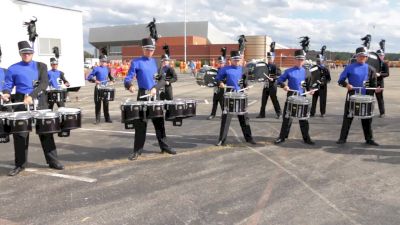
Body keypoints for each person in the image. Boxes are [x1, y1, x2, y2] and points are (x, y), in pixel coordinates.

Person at [1, 41, 64, 176]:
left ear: (32, 53)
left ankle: (53, 161)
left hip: (39, 100)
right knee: (20, 134)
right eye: (24, 53)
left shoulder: (41, 66)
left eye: (29, 53)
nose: (27, 55)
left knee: (46, 132)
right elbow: (8, 84)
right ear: (20, 54)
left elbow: (44, 83)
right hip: (20, 102)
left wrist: (31, 95)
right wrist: (6, 93)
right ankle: (20, 165)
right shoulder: (12, 68)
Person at [124, 37, 176, 160]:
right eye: (147, 49)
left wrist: (156, 88)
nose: (150, 52)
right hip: (142, 95)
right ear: (143, 49)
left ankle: (164, 146)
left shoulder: (157, 62)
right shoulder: (136, 62)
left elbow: (163, 80)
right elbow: (128, 78)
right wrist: (130, 85)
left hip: (155, 95)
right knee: (141, 124)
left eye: (152, 49)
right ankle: (137, 150)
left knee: (159, 122)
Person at [337, 47, 380, 146]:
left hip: (366, 98)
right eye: (360, 56)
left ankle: (369, 139)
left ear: (366, 57)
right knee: (348, 117)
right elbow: (340, 81)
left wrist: (376, 90)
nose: (362, 58)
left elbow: (374, 85)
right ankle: (342, 138)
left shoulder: (371, 69)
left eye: (364, 56)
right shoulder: (349, 67)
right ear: (356, 56)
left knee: (367, 119)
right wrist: (346, 85)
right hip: (352, 97)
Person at [215, 50, 256, 146]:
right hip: (230, 95)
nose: (237, 61)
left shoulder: (244, 69)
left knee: (244, 118)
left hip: (241, 95)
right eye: (235, 60)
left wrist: (247, 86)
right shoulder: (225, 69)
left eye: (238, 60)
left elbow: (245, 81)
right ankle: (222, 140)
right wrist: (220, 83)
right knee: (226, 118)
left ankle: (249, 138)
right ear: (231, 60)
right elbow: (217, 78)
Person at [274, 50, 315, 145]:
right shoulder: (288, 71)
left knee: (304, 120)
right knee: (287, 118)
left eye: (302, 59)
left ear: (304, 60)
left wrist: (311, 90)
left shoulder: (307, 72)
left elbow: (309, 85)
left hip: (302, 99)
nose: (300, 61)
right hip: (291, 98)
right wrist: (284, 86)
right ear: (294, 60)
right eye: (298, 59)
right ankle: (282, 137)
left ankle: (306, 138)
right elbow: (279, 80)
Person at [87, 55, 114, 124]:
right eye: (102, 61)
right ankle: (97, 119)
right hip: (98, 88)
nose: (104, 63)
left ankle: (107, 118)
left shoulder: (108, 69)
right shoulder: (96, 68)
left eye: (105, 61)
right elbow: (89, 77)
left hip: (105, 88)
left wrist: (112, 81)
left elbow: (111, 77)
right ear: (100, 61)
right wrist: (95, 80)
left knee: (106, 103)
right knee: (98, 104)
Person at [256, 52, 282, 119]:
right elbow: (261, 74)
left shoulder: (275, 66)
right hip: (266, 85)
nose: (269, 59)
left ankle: (279, 113)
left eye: (270, 57)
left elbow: (279, 75)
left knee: (274, 100)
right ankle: (262, 114)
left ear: (273, 58)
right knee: (263, 100)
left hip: (272, 85)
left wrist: (273, 78)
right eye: (268, 58)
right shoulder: (266, 66)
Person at [375, 49, 389, 118]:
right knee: (368, 97)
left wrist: (380, 74)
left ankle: (382, 113)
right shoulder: (372, 63)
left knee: (380, 98)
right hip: (369, 82)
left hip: (379, 83)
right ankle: (366, 112)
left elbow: (387, 74)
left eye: (381, 55)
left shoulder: (384, 63)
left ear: (384, 56)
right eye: (378, 55)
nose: (380, 56)